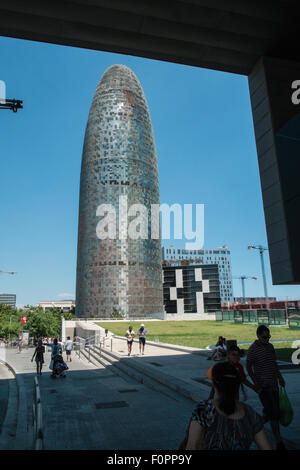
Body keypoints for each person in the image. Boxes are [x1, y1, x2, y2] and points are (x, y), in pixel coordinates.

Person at [182, 362, 272, 450]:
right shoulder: (250, 413)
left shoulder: (205, 410)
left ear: (214, 383)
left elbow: (191, 446)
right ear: (237, 384)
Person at [246, 325, 286, 450]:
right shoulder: (253, 349)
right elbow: (248, 366)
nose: (267, 339)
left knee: (271, 413)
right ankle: (279, 441)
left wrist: (280, 377)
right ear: (258, 336)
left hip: (274, 385)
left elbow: (274, 363)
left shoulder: (270, 347)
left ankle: (251, 429)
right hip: (263, 386)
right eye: (264, 337)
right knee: (273, 414)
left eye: (268, 336)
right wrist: (255, 383)